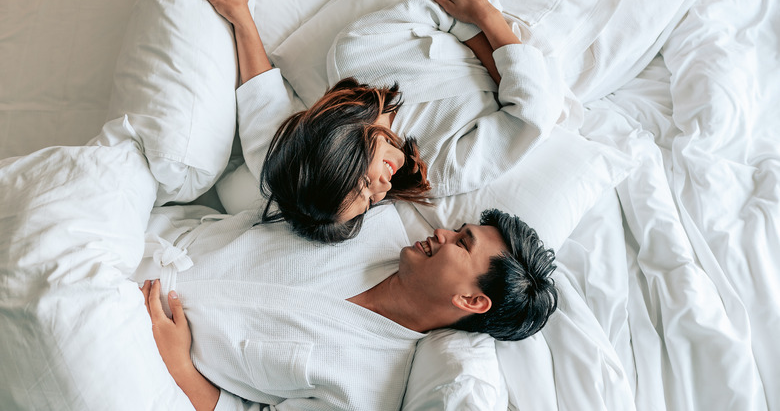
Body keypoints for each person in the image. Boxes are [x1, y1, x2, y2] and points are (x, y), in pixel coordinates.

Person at [189, 0, 570, 243]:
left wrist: (240, 15)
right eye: (371, 201)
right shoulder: (434, 171)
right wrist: (487, 24)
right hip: (558, 48)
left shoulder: (355, 50)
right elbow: (532, 115)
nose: (384, 188)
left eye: (364, 183)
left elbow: (263, 103)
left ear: (337, 147)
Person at [141, 206, 557, 411]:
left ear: (471, 300)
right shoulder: (371, 219)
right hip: (148, 232)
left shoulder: (368, 392)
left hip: (141, 352)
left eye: (462, 243)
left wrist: (179, 365)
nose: (443, 232)